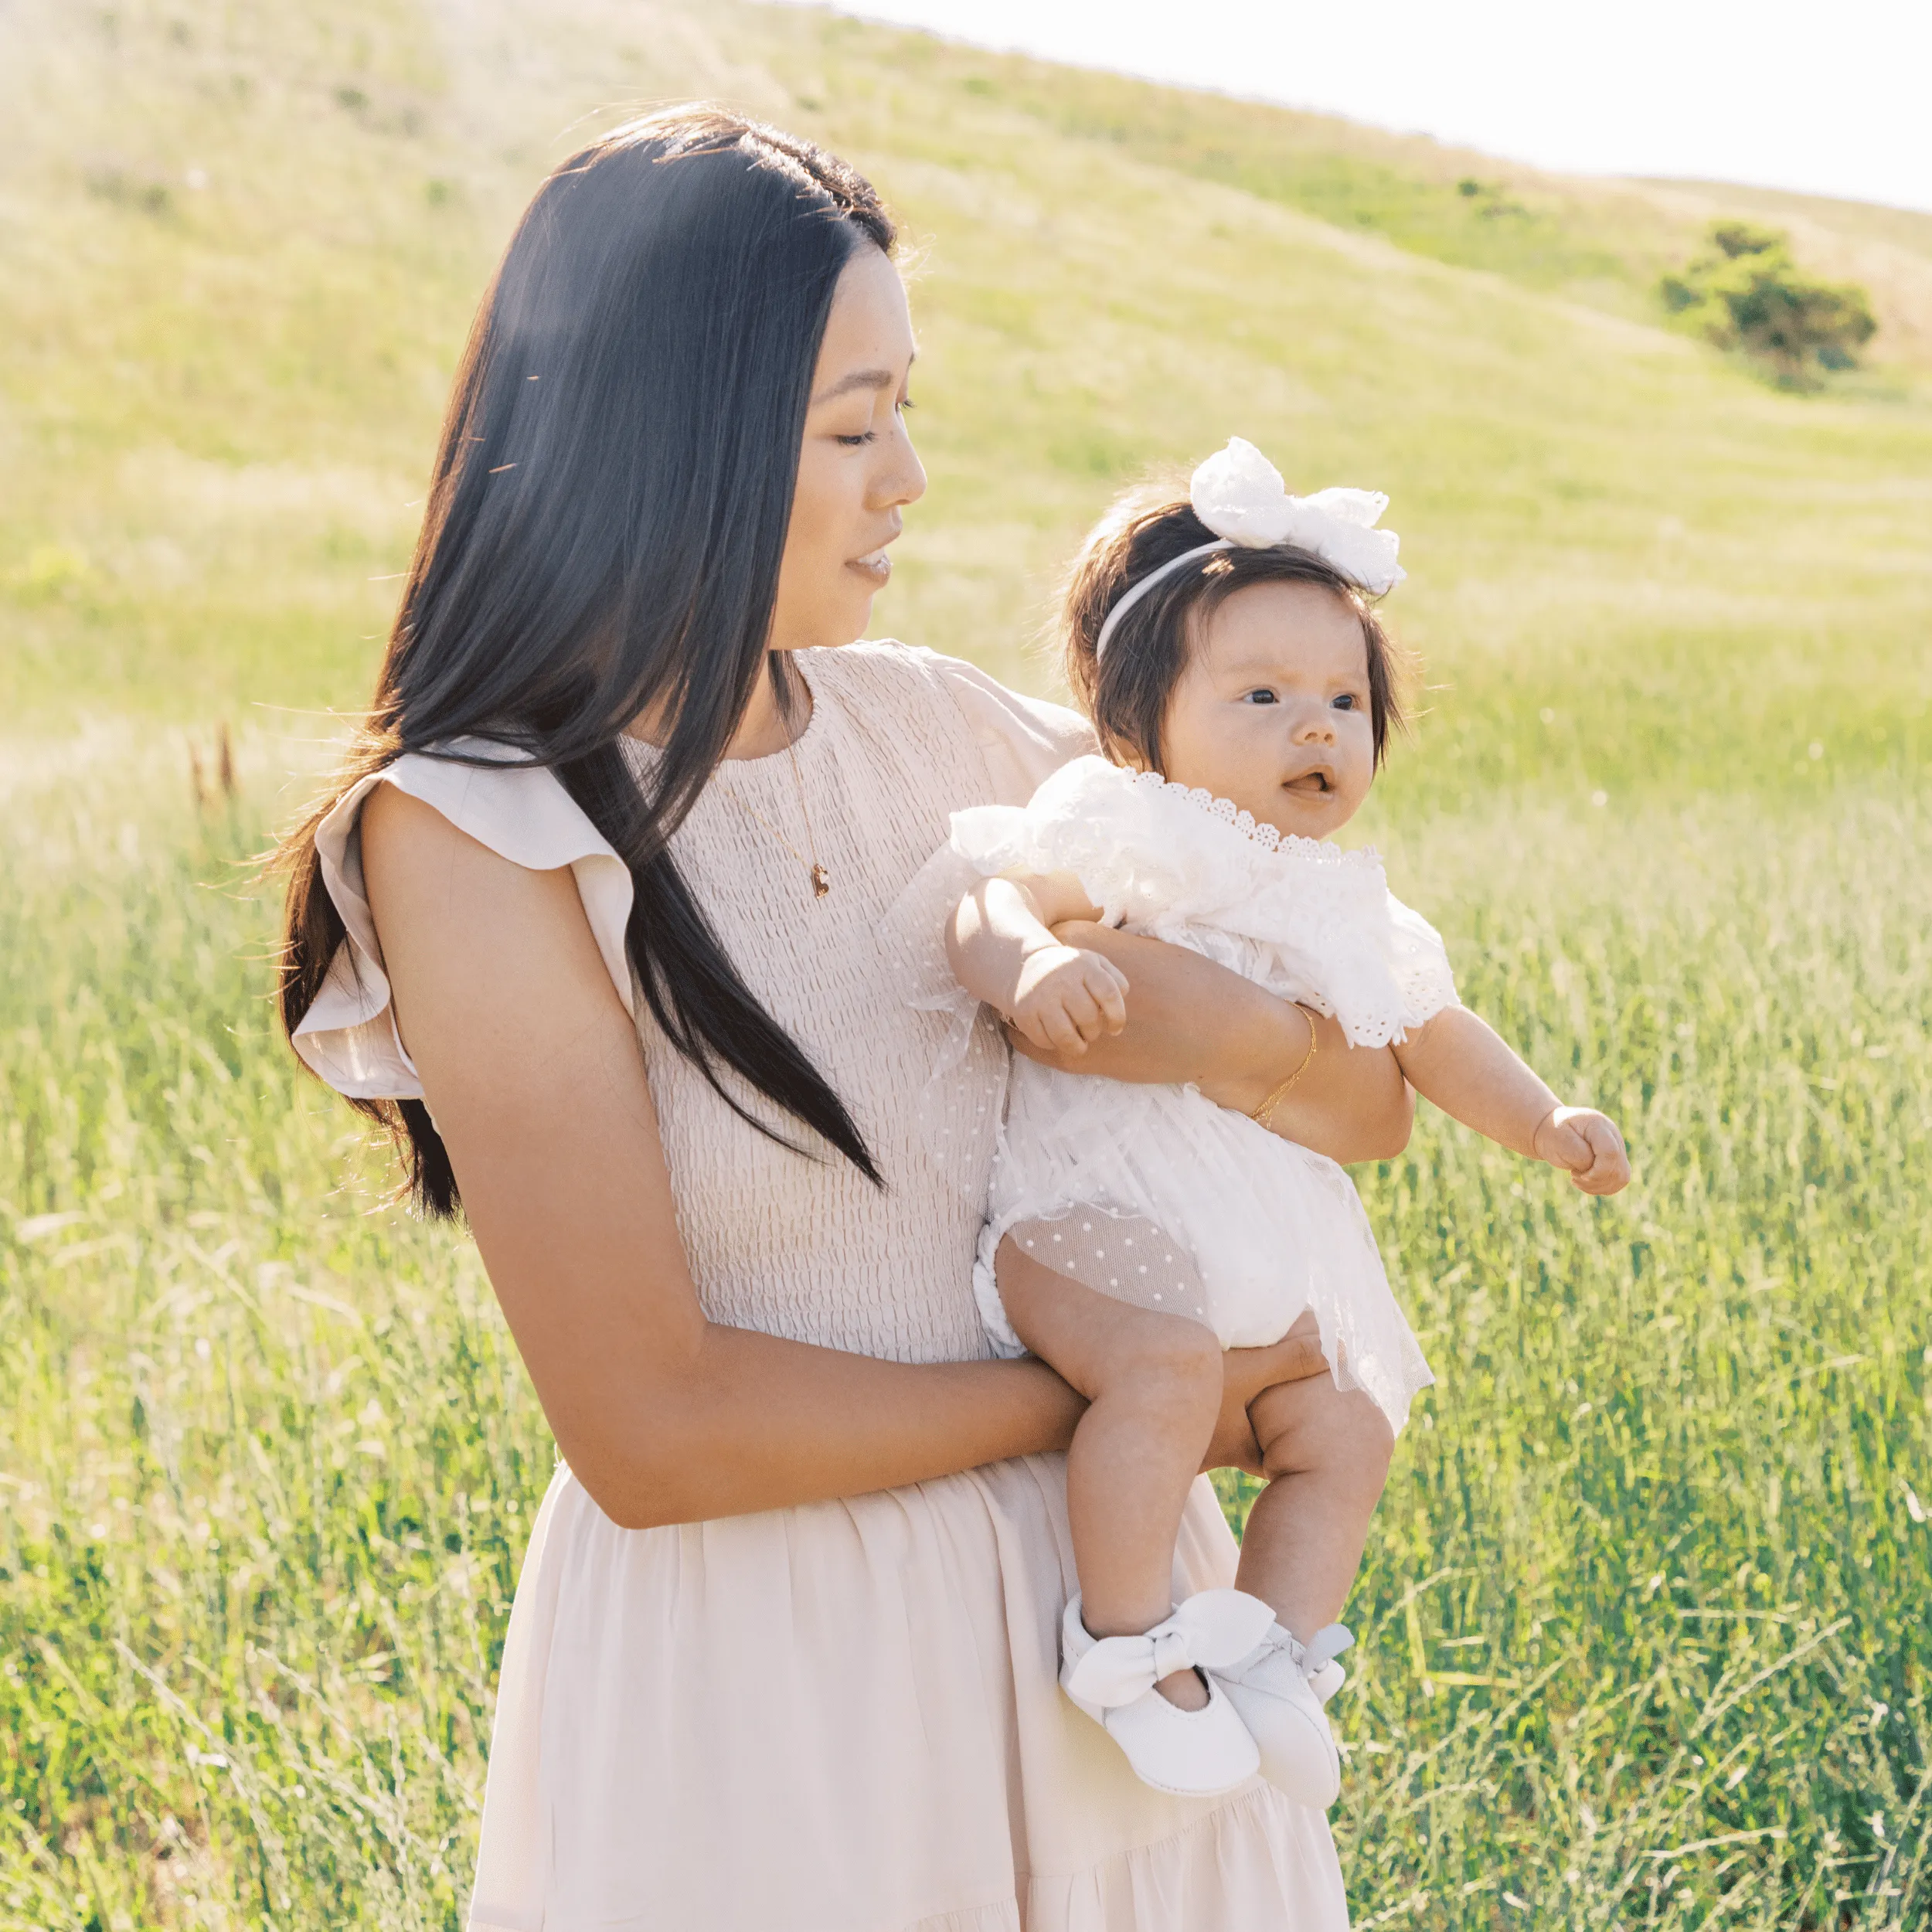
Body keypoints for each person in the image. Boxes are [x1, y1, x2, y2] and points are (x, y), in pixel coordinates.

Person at [276, 111, 1414, 1929]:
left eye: (903, 410)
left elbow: (1366, 1095)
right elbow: (653, 1431)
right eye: (849, 425)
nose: (908, 479)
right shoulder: (477, 830)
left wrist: (1239, 1043)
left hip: (1113, 1649)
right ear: (680, 445)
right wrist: (1123, 1387)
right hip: (774, 1694)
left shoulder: (965, 737)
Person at [924, 437, 1631, 1811]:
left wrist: (1543, 1119)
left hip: (1256, 1259)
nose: (1316, 727)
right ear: (1142, 720)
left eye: (1343, 700)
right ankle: (1127, 1643)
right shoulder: (1134, 824)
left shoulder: (1345, 905)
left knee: (1345, 1429)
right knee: (1167, 1369)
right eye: (1260, 693)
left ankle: (1276, 1657)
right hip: (1084, 1223)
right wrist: (1031, 962)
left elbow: (1433, 1034)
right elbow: (989, 900)